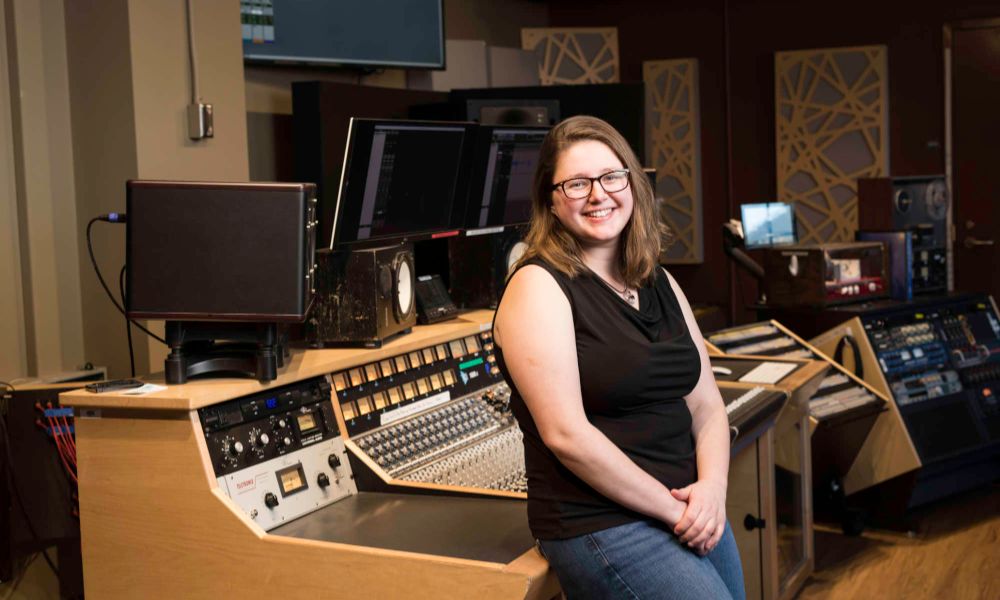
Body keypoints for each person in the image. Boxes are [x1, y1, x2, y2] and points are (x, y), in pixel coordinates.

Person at [493, 116, 745, 599]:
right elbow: (566, 435)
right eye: (577, 183)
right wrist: (677, 512)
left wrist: (712, 489)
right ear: (550, 199)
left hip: (689, 504)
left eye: (611, 177)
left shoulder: (660, 282)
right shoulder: (537, 287)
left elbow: (707, 405)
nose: (598, 194)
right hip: (602, 521)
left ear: (632, 183)